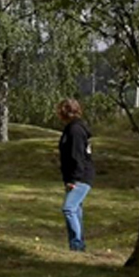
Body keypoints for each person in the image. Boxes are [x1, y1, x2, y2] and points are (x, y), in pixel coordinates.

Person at [57, 98, 95, 252]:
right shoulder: (72, 128)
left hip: (81, 176)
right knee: (76, 209)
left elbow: (77, 156)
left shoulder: (75, 130)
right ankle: (79, 245)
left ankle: (76, 244)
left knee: (69, 208)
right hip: (75, 175)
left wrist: (74, 179)